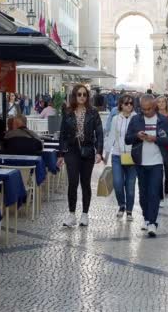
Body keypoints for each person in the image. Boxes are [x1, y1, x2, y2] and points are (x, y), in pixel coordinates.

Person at [125, 94, 168, 237]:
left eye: (149, 109)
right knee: (143, 193)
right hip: (140, 161)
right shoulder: (136, 119)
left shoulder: (163, 120)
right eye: (143, 109)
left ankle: (152, 222)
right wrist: (137, 136)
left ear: (155, 107)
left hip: (157, 162)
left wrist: (156, 139)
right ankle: (146, 218)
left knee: (154, 192)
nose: (146, 112)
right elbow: (127, 139)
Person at [57, 84, 104, 227]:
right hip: (72, 150)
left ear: (87, 97)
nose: (82, 97)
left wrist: (99, 152)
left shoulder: (93, 112)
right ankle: (71, 214)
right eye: (79, 94)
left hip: (88, 150)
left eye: (84, 94)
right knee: (72, 182)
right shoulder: (68, 112)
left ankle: (85, 214)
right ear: (74, 96)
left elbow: (99, 133)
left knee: (85, 183)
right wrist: (60, 154)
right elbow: (63, 134)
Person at [106, 94, 137, 220]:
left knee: (130, 186)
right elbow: (111, 136)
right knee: (118, 183)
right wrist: (106, 154)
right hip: (117, 155)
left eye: (131, 103)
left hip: (132, 156)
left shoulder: (137, 118)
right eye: (126, 103)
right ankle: (121, 205)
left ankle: (129, 210)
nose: (129, 105)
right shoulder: (115, 119)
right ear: (121, 105)